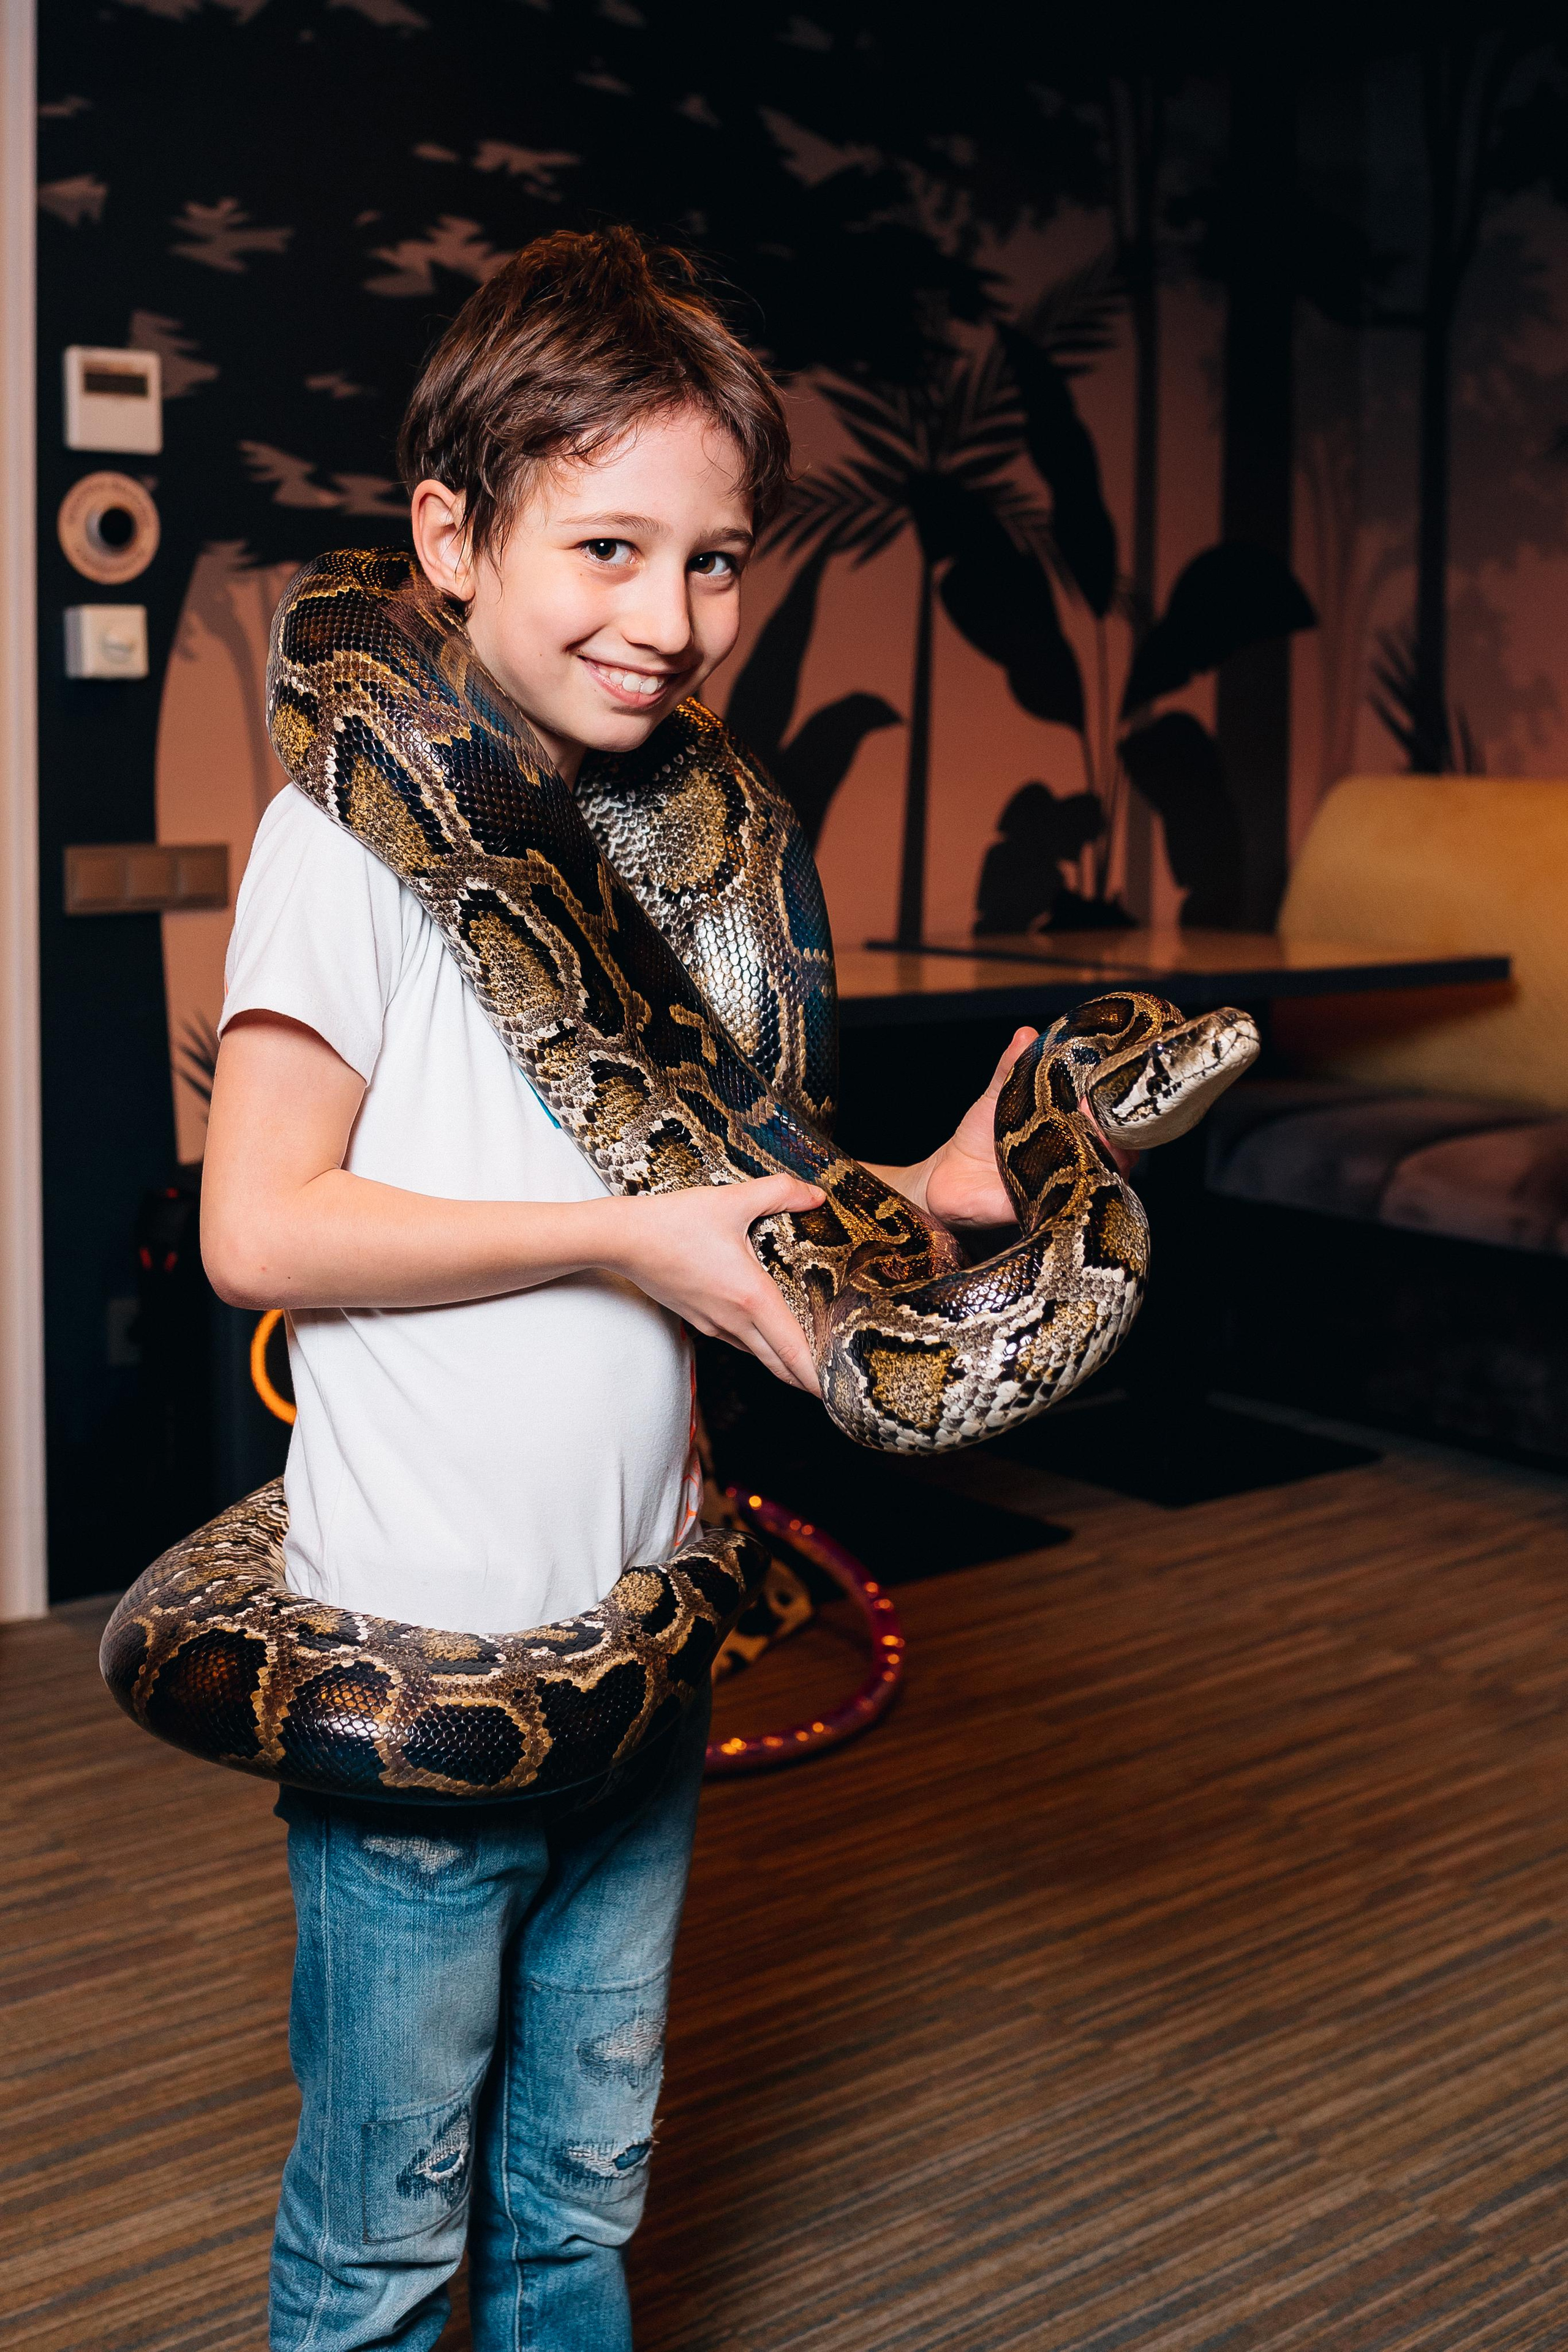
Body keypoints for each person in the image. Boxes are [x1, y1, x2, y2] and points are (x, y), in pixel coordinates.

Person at [202, 227, 1044, 2352]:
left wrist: (920, 1197)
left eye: (716, 560)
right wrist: (616, 1238)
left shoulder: (667, 854)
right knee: (384, 2242)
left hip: (647, 1640)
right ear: (449, 541)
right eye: (608, 548)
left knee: (579, 2206)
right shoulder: (343, 838)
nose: (671, 620)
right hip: (421, 1678)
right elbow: (260, 1230)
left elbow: (713, 1188)